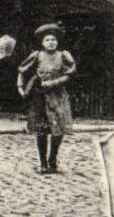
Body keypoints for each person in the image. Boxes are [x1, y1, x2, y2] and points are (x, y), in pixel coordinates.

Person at [18, 23, 77, 175]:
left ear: (57, 42)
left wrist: (53, 82)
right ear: (42, 43)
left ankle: (53, 159)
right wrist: (20, 87)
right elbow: (22, 71)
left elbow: (69, 74)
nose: (51, 42)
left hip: (58, 96)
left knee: (59, 130)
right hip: (40, 97)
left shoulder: (63, 55)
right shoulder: (37, 55)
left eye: (53, 40)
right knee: (41, 130)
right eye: (47, 40)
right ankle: (43, 163)